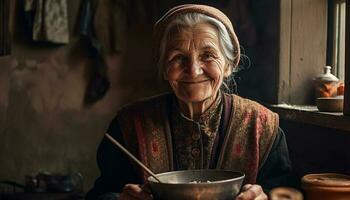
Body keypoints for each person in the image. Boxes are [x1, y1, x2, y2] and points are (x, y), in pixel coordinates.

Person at [86, 4, 293, 200]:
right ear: (164, 68)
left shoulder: (261, 127)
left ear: (229, 65)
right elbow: (100, 194)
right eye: (178, 57)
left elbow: (286, 192)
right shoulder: (129, 125)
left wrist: (265, 197)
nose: (193, 70)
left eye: (208, 55)